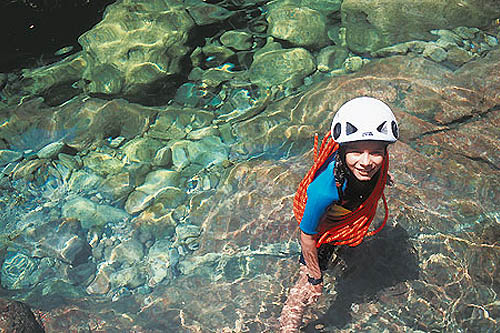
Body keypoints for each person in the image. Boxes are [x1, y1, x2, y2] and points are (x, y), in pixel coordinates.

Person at [279, 96, 399, 332]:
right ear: (342, 151)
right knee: (304, 288)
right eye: (355, 152)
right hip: (323, 231)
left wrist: (382, 178)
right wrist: (314, 277)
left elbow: (372, 163)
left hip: (344, 214)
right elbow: (307, 236)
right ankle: (287, 328)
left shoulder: (375, 162)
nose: (366, 162)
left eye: (375, 152)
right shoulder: (325, 190)